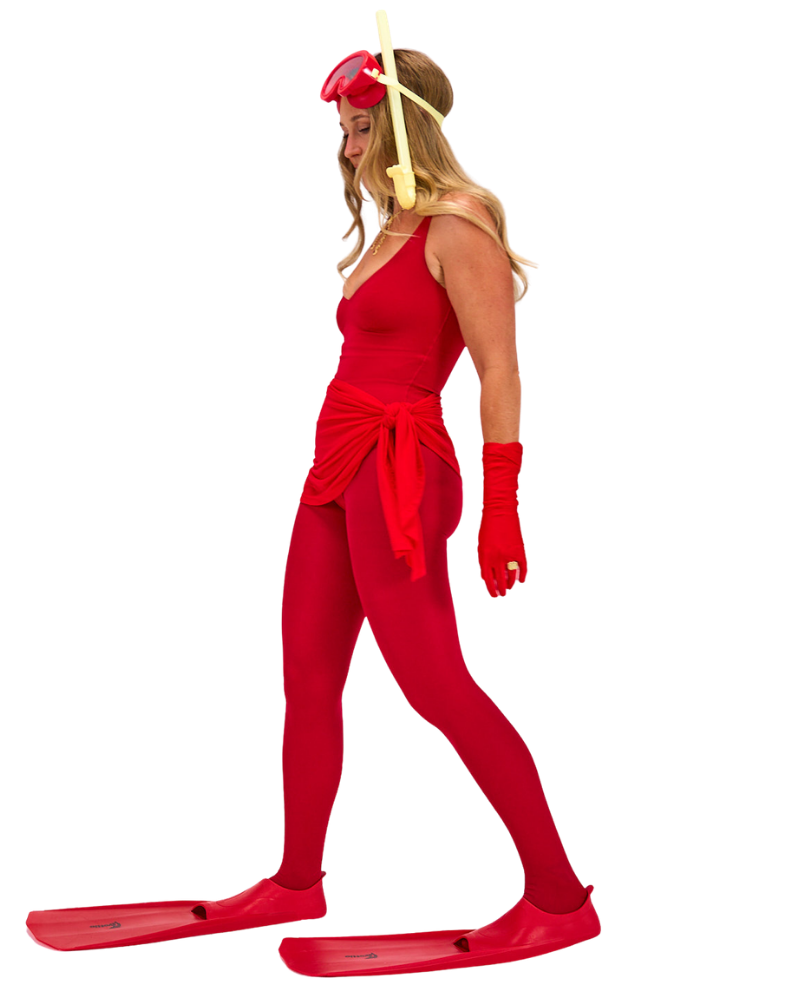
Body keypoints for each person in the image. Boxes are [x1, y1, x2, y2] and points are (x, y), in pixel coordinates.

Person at [268, 46, 588, 924]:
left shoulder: (457, 223)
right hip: (334, 463)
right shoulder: (382, 228)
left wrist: (503, 513)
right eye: (342, 133)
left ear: (408, 129)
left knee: (436, 682)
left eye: (361, 130)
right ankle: (295, 884)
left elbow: (500, 372)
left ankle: (559, 898)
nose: (345, 150)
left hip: (401, 472)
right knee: (308, 674)